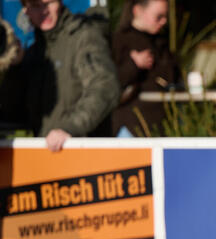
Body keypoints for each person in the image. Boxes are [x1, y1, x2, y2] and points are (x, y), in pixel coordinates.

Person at [0, 0, 119, 151]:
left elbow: (105, 87)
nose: (44, 11)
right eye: (36, 6)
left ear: (60, 3)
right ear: (25, 10)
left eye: (49, 3)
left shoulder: (82, 36)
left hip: (83, 154)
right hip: (47, 156)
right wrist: (15, 68)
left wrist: (70, 128)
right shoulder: (35, 50)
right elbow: (12, 112)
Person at [111, 0, 178, 136]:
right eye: (158, 16)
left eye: (166, 17)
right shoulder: (120, 40)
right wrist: (134, 65)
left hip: (159, 126)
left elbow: (172, 78)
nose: (163, 21)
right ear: (138, 11)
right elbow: (108, 84)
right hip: (130, 126)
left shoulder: (161, 42)